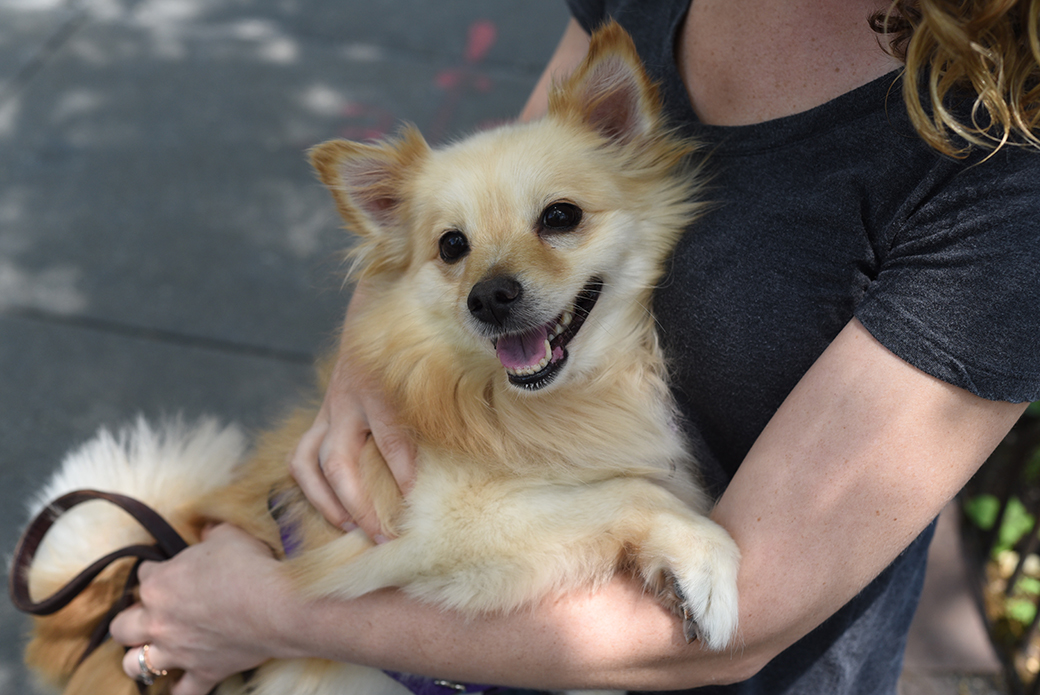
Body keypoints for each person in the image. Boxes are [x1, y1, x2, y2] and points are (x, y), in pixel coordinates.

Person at [109, 0, 1040, 693]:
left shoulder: (1009, 183)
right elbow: (494, 174)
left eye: (560, 222)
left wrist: (262, 612)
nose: (498, 284)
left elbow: (736, 621)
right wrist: (372, 345)